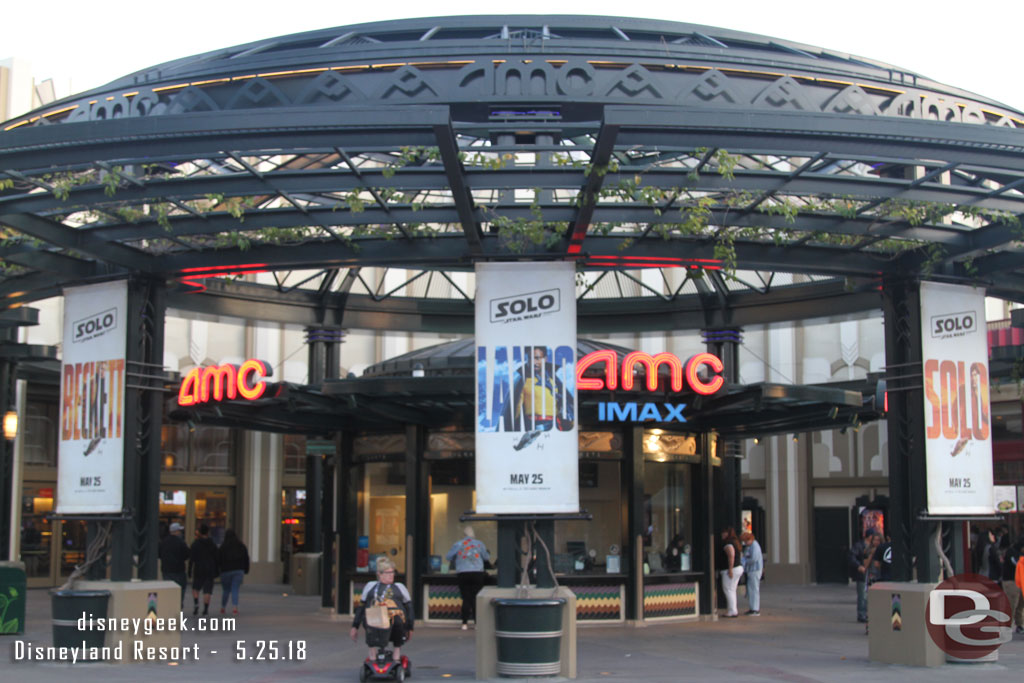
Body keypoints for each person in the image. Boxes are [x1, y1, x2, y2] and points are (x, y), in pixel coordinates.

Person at [350, 558, 414, 665]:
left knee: (398, 620)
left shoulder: (400, 587)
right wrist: (354, 627)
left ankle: (396, 656)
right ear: (379, 574)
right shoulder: (370, 586)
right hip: (375, 619)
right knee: (370, 619)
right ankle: (372, 656)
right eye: (388, 573)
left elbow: (409, 608)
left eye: (392, 572)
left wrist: (410, 627)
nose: (391, 575)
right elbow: (361, 607)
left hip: (395, 620)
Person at [445, 526, 490, 630]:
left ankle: (464, 623)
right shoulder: (479, 544)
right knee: (475, 598)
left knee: (466, 598)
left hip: (463, 572)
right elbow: (486, 557)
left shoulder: (458, 544)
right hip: (477, 573)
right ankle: (476, 623)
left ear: (464, 534)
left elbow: (448, 557)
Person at [848, 531, 881, 623]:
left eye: (878, 540)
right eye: (874, 539)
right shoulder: (862, 547)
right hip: (866, 574)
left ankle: (869, 614)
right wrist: (860, 566)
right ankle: (862, 614)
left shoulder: (881, 548)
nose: (876, 542)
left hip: (877, 575)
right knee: (863, 595)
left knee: (871, 596)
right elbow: (854, 557)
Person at [188, 524, 219, 616]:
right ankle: (205, 608)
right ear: (208, 532)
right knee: (207, 590)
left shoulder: (196, 544)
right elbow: (217, 558)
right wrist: (217, 569)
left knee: (195, 588)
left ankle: (196, 603)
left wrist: (189, 570)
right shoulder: (212, 544)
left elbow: (191, 558)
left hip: (198, 568)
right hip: (209, 569)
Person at [217, 529, 250, 616]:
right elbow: (246, 559)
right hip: (238, 570)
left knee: (226, 590)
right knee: (235, 589)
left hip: (225, 571)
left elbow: (218, 560)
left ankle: (223, 607)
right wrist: (246, 569)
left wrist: (218, 570)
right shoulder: (241, 546)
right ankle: (235, 607)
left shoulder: (223, 547)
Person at [159, 522, 190, 608]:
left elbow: (159, 553)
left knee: (169, 588)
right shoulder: (181, 542)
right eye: (179, 530)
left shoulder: (164, 542)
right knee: (181, 588)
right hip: (178, 570)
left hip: (166, 569)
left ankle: (169, 604)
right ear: (176, 531)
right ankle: (178, 604)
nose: (180, 532)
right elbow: (187, 554)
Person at [718, 527, 743, 618]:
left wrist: (730, 569)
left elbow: (731, 555)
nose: (722, 535)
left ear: (727, 534)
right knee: (732, 589)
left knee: (728, 589)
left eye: (724, 533)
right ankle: (733, 609)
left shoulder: (728, 543)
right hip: (738, 568)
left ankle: (732, 610)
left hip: (731, 569)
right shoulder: (735, 542)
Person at [740, 531, 763, 616]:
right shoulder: (749, 546)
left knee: (754, 589)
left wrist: (745, 561)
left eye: (746, 541)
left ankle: (755, 609)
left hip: (755, 570)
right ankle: (752, 607)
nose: (745, 543)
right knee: (750, 589)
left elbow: (754, 558)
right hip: (750, 570)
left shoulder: (755, 546)